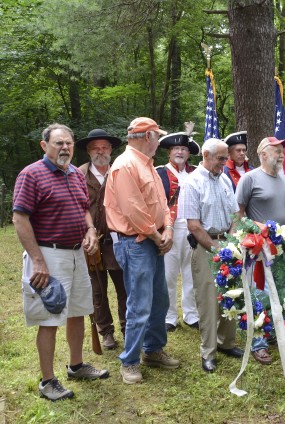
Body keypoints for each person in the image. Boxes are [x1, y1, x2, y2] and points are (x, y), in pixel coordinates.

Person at [13, 123, 109, 401]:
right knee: (50, 317)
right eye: (58, 143)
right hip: (48, 255)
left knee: (77, 311)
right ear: (45, 146)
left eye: (68, 143)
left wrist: (90, 230)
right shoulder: (31, 174)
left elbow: (83, 210)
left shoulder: (75, 175)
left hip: (77, 253)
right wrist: (38, 261)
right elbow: (20, 219)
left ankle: (76, 366)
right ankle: (47, 381)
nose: (65, 147)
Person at [104, 117, 180, 384]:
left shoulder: (147, 165)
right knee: (139, 303)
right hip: (136, 243)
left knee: (160, 299)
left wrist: (167, 229)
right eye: (157, 136)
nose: (159, 141)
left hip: (153, 238)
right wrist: (158, 235)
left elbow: (163, 201)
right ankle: (130, 361)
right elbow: (133, 209)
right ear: (147, 137)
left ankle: (153, 350)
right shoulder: (125, 165)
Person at [235, 136, 285, 364]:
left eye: (281, 150)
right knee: (259, 294)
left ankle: (274, 332)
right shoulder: (249, 179)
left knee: (280, 289)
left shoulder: (284, 179)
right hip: (259, 250)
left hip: (283, 246)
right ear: (262, 153)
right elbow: (239, 213)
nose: (280, 154)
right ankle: (258, 342)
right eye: (276, 150)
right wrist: (255, 228)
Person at [178, 138, 244, 373]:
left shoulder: (224, 179)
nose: (225, 163)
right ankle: (208, 352)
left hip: (228, 243)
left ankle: (226, 342)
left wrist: (233, 242)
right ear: (205, 155)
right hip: (206, 247)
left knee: (231, 294)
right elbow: (194, 226)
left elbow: (235, 215)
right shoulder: (192, 184)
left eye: (226, 158)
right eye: (220, 158)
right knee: (208, 302)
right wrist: (218, 250)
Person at [77, 129, 127, 350]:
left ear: (111, 150)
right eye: (95, 148)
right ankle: (105, 331)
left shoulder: (121, 171)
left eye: (104, 147)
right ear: (88, 151)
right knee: (97, 291)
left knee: (124, 289)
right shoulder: (78, 174)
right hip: (91, 244)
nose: (100, 151)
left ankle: (128, 328)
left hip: (118, 241)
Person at [156, 129, 200, 331]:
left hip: (193, 229)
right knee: (168, 275)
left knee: (191, 273)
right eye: (176, 148)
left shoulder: (196, 173)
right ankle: (169, 316)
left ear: (189, 153)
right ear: (169, 152)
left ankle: (191, 314)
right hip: (169, 229)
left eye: (183, 148)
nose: (180, 152)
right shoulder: (160, 173)